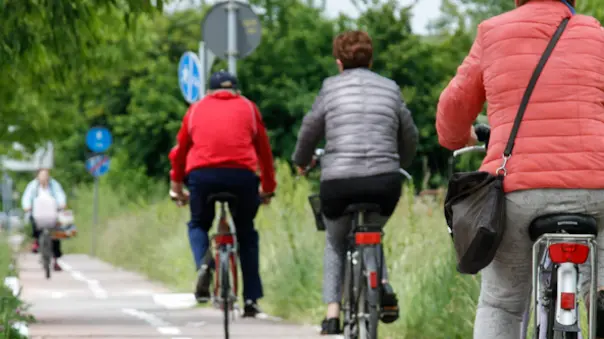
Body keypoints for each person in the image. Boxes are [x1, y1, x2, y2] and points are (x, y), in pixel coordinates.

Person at [435, 0, 604, 337]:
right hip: (596, 187)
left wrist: (459, 138)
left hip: (517, 191)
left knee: (503, 303)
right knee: (599, 288)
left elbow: (452, 107)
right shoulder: (596, 34)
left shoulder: (493, 32)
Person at [292, 30, 419, 335]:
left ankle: (332, 313)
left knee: (336, 241)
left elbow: (310, 129)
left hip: (338, 183)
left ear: (339, 62)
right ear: (370, 59)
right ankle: (384, 284)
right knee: (374, 230)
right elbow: (410, 134)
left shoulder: (330, 89)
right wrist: (399, 162)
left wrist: (300, 161)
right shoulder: (390, 88)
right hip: (385, 182)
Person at [169, 70, 277, 318]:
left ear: (209, 91)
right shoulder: (249, 108)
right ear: (236, 91)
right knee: (247, 233)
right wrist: (268, 187)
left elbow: (180, 151)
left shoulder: (195, 109)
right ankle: (251, 298)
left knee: (197, 224)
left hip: (202, 176)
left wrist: (177, 186)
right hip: (242, 177)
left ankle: (205, 264)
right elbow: (264, 152)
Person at [21, 168, 67, 271]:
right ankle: (36, 241)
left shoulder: (54, 185)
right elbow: (27, 197)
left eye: (46, 175)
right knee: (33, 223)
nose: (44, 177)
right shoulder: (33, 186)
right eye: (42, 175)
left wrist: (62, 204)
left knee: (56, 236)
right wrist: (27, 206)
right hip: (38, 213)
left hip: (52, 213)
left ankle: (56, 260)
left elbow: (60, 195)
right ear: (38, 176)